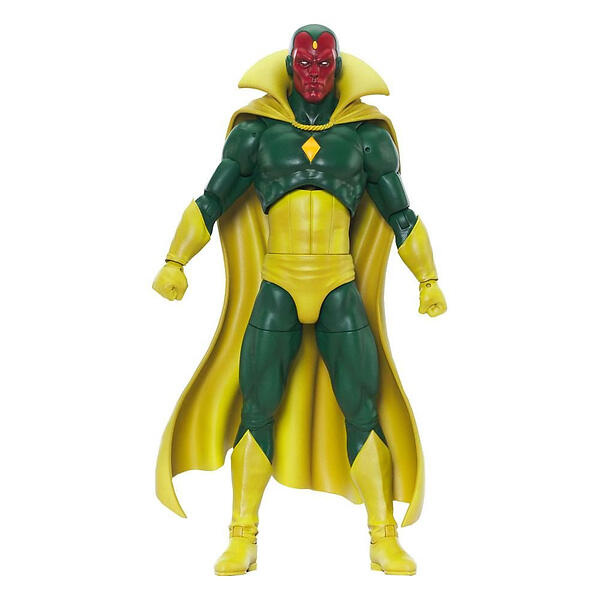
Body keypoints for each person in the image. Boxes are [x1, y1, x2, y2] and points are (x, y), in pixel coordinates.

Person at [152, 24, 446, 576]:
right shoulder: (258, 133)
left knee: (362, 408)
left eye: (323, 65)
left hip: (338, 285)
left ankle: (383, 538)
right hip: (278, 285)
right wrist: (175, 261)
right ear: (289, 66)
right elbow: (212, 199)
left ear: (338, 68)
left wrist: (427, 279)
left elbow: (400, 214)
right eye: (305, 65)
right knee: (256, 408)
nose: (313, 75)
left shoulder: (364, 137)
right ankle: (242, 537)